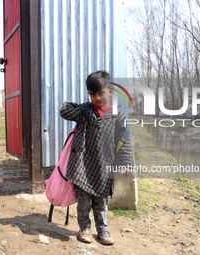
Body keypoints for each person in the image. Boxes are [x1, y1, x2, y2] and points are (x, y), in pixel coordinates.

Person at [60, 70, 134, 245]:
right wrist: (83, 107)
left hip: (103, 167)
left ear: (110, 92)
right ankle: (84, 228)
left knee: (101, 203)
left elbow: (124, 141)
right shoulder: (86, 111)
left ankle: (103, 231)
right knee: (84, 203)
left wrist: (126, 163)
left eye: (101, 93)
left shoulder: (118, 116)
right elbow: (65, 111)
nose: (97, 98)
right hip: (83, 166)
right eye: (92, 94)